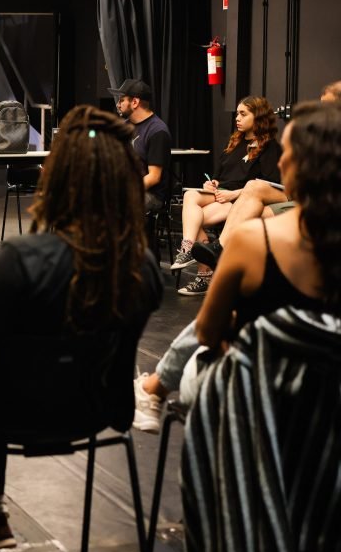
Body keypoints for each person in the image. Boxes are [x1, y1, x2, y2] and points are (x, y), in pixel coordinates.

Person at [0, 105, 162, 547]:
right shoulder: (142, 268)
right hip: (93, 413)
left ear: (58, 177)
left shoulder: (22, 260)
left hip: (3, 415)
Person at [133, 101, 339, 431]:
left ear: (301, 164)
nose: (282, 160)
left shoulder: (254, 241)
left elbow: (207, 331)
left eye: (290, 151)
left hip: (253, 400)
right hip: (324, 415)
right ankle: (197, 252)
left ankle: (151, 390)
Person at [190, 82, 341, 270]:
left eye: (328, 106)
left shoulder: (272, 146)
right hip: (298, 195)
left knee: (251, 197)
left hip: (310, 199)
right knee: (200, 204)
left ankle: (220, 254)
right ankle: (213, 256)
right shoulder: (317, 137)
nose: (321, 112)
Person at [171, 96, 280, 296]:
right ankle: (188, 250)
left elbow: (267, 184)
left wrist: (233, 194)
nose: (237, 118)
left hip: (241, 200)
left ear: (258, 117)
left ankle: (204, 275)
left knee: (196, 219)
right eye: (237, 113)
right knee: (190, 196)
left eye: (243, 114)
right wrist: (212, 183)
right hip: (221, 195)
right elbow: (219, 175)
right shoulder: (235, 142)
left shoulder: (270, 147)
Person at [109, 79, 172, 213]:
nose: (118, 105)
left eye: (121, 100)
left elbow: (154, 177)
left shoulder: (157, 131)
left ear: (135, 102)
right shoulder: (124, 127)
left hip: (150, 194)